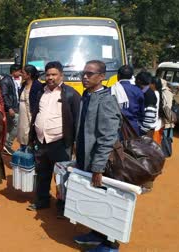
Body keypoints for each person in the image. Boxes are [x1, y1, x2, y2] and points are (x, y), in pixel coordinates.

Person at [74, 60, 122, 252]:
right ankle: (96, 234)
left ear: (102, 77)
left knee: (106, 202)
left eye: (90, 74)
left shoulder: (106, 100)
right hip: (85, 158)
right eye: (83, 73)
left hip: (99, 162)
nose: (85, 77)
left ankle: (109, 244)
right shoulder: (87, 95)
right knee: (92, 199)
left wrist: (98, 168)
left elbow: (108, 137)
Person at [27, 61, 81, 215]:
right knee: (42, 173)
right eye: (48, 74)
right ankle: (42, 201)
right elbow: (36, 114)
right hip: (41, 141)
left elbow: (77, 119)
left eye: (54, 74)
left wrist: (75, 142)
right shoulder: (40, 93)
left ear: (61, 75)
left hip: (60, 143)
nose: (50, 77)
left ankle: (62, 205)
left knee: (62, 176)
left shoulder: (71, 94)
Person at [110, 65, 144, 136]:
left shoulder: (111, 89)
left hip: (114, 127)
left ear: (118, 76)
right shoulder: (137, 90)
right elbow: (141, 112)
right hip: (133, 126)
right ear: (132, 76)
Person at [17, 65, 43, 148]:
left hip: (31, 114)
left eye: (23, 73)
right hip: (23, 116)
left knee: (31, 135)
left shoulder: (37, 86)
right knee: (23, 136)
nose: (21, 74)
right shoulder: (23, 85)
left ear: (29, 75)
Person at [0, 64, 21, 155]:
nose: (20, 73)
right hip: (10, 108)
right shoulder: (5, 81)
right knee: (17, 125)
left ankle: (5, 145)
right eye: (19, 71)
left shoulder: (12, 80)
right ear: (14, 71)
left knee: (10, 127)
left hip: (14, 106)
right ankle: (8, 144)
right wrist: (9, 108)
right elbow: (4, 95)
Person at [135, 71, 158, 136]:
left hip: (145, 131)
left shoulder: (149, 95)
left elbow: (149, 116)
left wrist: (141, 130)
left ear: (139, 81)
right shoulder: (144, 92)